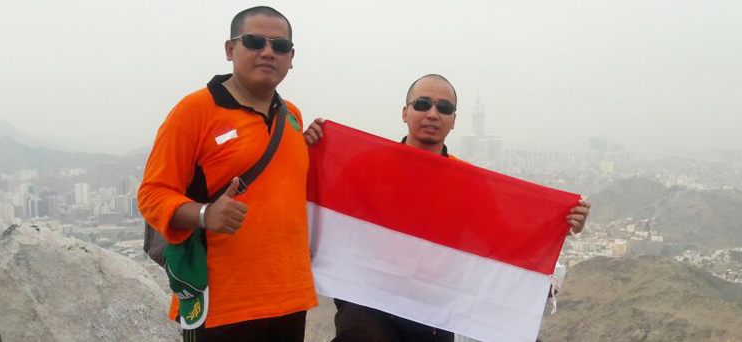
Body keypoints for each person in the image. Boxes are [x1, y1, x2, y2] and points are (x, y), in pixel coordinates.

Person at [304, 74, 591, 342]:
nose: (432, 114)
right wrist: (305, 149)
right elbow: (321, 211)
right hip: (368, 307)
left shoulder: (466, 182)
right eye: (422, 104)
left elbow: (502, 238)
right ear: (405, 112)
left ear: (454, 120)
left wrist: (559, 224)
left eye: (444, 108)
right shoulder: (366, 166)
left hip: (432, 315)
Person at [138, 6, 316, 342]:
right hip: (221, 304)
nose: (268, 52)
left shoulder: (291, 116)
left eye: (279, 46)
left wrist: (316, 143)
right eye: (254, 41)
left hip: (290, 297)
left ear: (291, 57)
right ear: (230, 49)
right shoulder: (194, 111)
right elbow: (152, 194)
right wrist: (205, 214)